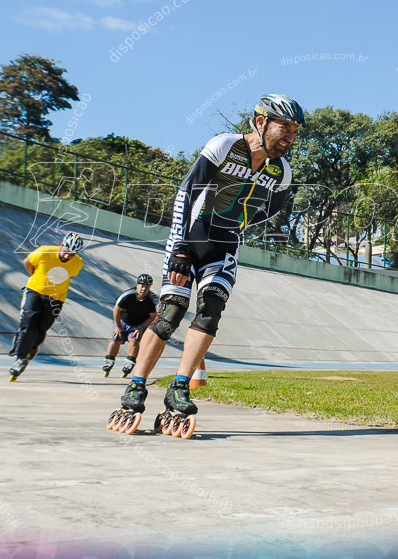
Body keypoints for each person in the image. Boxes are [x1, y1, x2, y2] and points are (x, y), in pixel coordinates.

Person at [111, 94, 302, 433]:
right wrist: (180, 248)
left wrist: (241, 222)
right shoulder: (224, 146)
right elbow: (185, 194)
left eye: (294, 131)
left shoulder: (282, 171)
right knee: (170, 313)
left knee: (211, 309)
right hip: (191, 237)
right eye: (284, 128)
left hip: (225, 245)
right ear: (261, 123)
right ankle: (136, 384)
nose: (289, 137)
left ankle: (179, 386)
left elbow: (274, 209)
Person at [8, 232, 85, 381]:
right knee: (29, 322)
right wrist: (35, 277)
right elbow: (27, 262)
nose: (67, 257)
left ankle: (31, 352)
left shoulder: (78, 262)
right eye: (66, 252)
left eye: (72, 255)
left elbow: (70, 275)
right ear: (61, 245)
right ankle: (20, 357)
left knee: (41, 328)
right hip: (35, 291)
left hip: (56, 298)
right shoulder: (45, 251)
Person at [103, 274, 159, 377]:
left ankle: (130, 361)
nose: (144, 289)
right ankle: (109, 360)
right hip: (122, 320)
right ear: (137, 285)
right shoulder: (127, 295)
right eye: (142, 286)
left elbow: (153, 317)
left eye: (147, 286)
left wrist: (141, 327)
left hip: (138, 323)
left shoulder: (152, 299)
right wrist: (118, 327)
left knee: (134, 339)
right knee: (117, 338)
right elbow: (116, 310)